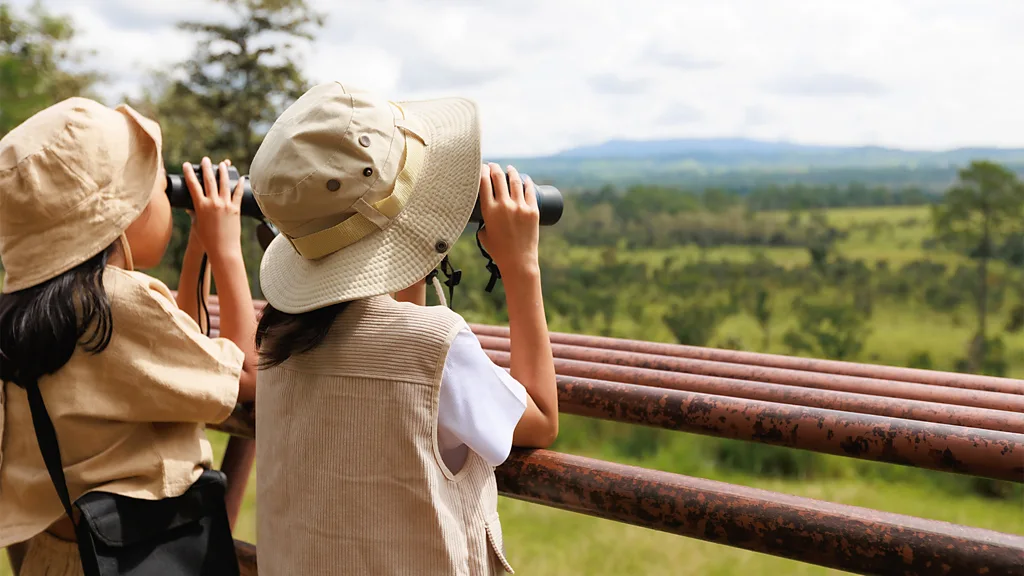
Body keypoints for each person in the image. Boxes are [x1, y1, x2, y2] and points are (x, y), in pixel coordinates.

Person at [251, 82, 559, 575]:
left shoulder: (277, 339)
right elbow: (540, 417)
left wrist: (409, 252)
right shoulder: (434, 346)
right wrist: (521, 265)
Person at [0, 97, 258, 575]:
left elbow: (184, 356)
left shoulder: (38, 312)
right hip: (141, 558)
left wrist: (196, 250)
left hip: (59, 555)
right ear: (120, 218)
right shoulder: (115, 304)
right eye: (159, 189)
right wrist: (226, 250)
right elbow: (243, 375)